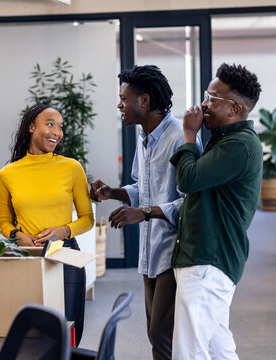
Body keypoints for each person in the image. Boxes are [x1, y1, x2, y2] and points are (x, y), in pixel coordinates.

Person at [90, 65, 201, 360]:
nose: (120, 105)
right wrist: (114, 193)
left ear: (146, 101)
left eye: (124, 99)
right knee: (156, 332)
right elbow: (144, 187)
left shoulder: (180, 138)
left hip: (176, 251)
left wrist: (145, 213)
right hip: (150, 250)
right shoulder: (145, 138)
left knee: (162, 334)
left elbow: (193, 200)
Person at [169, 63, 263, 359]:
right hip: (208, 260)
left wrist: (187, 133)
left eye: (211, 99)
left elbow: (189, 180)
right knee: (216, 346)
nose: (203, 105)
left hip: (209, 261)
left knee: (189, 350)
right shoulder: (226, 139)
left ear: (234, 109)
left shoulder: (239, 145)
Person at [0, 103, 94, 345]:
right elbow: (5, 222)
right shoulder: (8, 174)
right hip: (28, 258)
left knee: (68, 330)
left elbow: (87, 219)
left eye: (60, 127)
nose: (56, 132)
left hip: (66, 256)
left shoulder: (72, 168)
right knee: (32, 333)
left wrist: (63, 230)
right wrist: (17, 234)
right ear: (31, 127)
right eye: (50, 124)